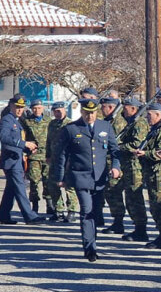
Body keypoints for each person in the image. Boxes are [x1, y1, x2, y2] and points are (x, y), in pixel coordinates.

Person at [52, 98, 121, 261]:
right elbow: (61, 155)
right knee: (86, 211)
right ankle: (90, 248)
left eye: (93, 113)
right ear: (81, 112)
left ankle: (92, 241)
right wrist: (60, 177)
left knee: (95, 213)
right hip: (80, 176)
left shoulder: (105, 126)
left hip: (99, 178)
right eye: (86, 113)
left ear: (96, 112)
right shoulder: (71, 129)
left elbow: (114, 150)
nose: (90, 116)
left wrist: (116, 167)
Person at [0, 94, 44, 226]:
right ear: (11, 106)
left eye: (21, 107)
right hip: (11, 161)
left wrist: (28, 148)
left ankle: (3, 216)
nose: (19, 110)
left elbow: (16, 142)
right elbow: (4, 138)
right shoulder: (7, 120)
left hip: (16, 159)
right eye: (17, 107)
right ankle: (29, 216)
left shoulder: (16, 120)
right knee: (20, 188)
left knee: (10, 190)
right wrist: (24, 144)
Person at [136, 102, 161, 250]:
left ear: (158, 115)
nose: (147, 117)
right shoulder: (155, 129)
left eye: (149, 115)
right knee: (154, 207)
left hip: (160, 174)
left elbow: (160, 153)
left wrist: (145, 153)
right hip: (152, 173)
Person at [117, 97, 150, 243]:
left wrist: (118, 146)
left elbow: (137, 145)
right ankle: (137, 227)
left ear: (133, 109)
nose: (124, 109)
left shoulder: (140, 123)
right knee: (130, 198)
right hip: (128, 165)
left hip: (135, 166)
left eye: (126, 107)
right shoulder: (130, 123)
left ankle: (141, 229)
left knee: (135, 198)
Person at [46, 102, 78, 223]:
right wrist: (48, 155)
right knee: (52, 184)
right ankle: (58, 210)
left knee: (69, 186)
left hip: (68, 159)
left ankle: (72, 211)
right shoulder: (52, 124)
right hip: (54, 158)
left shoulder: (70, 124)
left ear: (64, 110)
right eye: (55, 111)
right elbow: (48, 141)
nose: (57, 113)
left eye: (59, 111)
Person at [100, 97, 127, 234]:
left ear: (110, 108)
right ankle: (116, 221)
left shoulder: (117, 123)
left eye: (103, 107)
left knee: (113, 191)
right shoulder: (108, 121)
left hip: (115, 162)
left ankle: (119, 222)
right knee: (109, 192)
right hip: (107, 161)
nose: (101, 110)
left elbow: (117, 145)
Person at [21, 99, 51, 215]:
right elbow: (23, 137)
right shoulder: (27, 122)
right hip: (34, 156)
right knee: (34, 181)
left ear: (42, 108)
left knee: (48, 181)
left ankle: (50, 205)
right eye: (34, 108)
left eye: (39, 108)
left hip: (47, 155)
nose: (37, 110)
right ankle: (35, 205)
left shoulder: (48, 121)